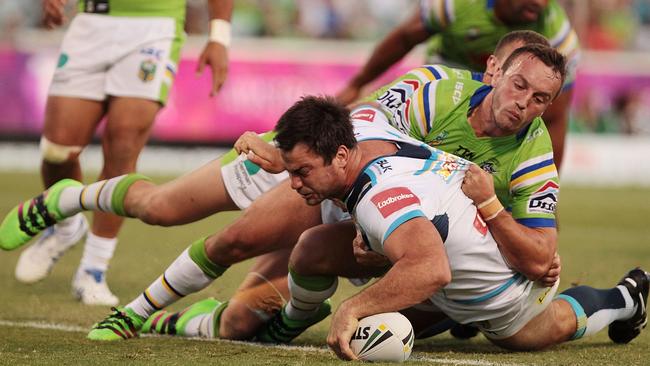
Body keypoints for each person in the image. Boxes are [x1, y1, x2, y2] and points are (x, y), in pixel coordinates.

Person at [0, 42, 566, 341]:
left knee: (245, 324)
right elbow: (352, 134)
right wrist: (284, 159)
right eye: (518, 84)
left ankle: (172, 319)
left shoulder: (534, 154)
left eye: (541, 98)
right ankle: (66, 200)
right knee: (169, 210)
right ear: (492, 70)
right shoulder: (434, 90)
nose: (524, 103)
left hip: (362, 204)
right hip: (312, 162)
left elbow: (528, 248)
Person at [256, 95, 649, 360]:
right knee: (312, 249)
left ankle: (626, 297)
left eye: (302, 171)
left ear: (341, 155)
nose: (293, 183)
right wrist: (277, 151)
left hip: (501, 293)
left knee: (537, 332)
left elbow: (431, 269)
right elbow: (367, 105)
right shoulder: (361, 124)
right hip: (457, 253)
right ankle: (291, 322)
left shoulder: (380, 197)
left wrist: (350, 308)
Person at [13, 0, 233, 306]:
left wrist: (219, 36)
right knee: (57, 151)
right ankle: (66, 226)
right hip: (91, 19)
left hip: (155, 26)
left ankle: (93, 270)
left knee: (122, 148)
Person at [336, 0, 580, 170]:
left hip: (508, 89)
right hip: (448, 74)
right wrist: (358, 83)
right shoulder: (455, 4)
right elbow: (404, 38)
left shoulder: (560, 40)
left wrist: (548, 192)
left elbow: (555, 118)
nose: (539, 2)